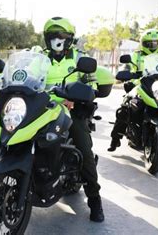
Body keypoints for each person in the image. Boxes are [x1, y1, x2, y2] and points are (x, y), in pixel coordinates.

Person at [43, 17, 104, 222]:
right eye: (52, 36)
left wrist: (75, 98)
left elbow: (93, 87)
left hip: (73, 111)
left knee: (84, 150)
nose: (56, 40)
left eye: (61, 36)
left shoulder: (80, 58)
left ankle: (95, 200)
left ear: (70, 39)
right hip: (43, 109)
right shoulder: (39, 58)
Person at [108, 29, 158, 152]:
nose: (153, 46)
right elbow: (128, 67)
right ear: (143, 43)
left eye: (156, 43)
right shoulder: (137, 55)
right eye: (149, 44)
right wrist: (128, 75)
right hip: (139, 85)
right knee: (125, 107)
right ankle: (115, 139)